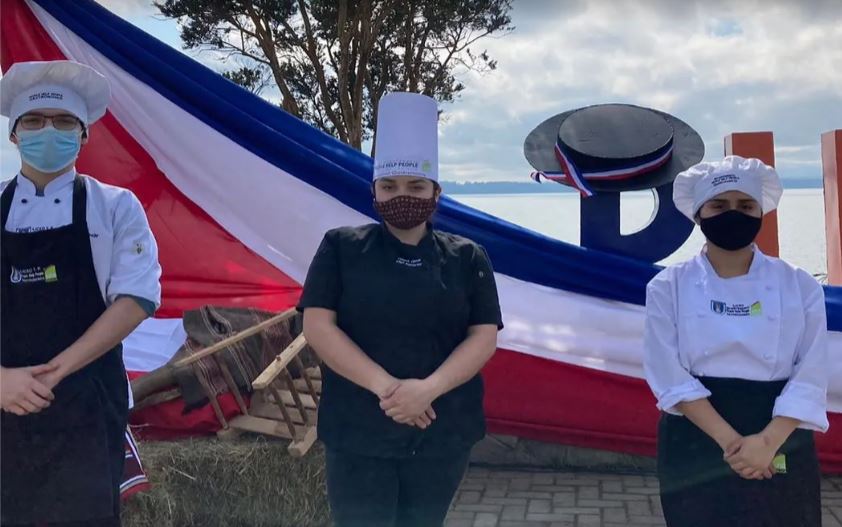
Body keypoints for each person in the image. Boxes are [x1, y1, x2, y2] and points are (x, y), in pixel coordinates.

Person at [297, 92, 503, 527]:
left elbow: (483, 335)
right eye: (389, 186)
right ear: (373, 190)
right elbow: (317, 325)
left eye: (415, 187)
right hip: (358, 428)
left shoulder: (468, 257)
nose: (401, 196)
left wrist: (427, 390)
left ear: (436, 193)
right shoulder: (341, 248)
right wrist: (389, 389)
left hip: (442, 429)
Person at [0, 60, 161, 526]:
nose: (48, 131)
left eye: (64, 122)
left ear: (84, 134)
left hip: (87, 402)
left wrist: (56, 372)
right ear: (14, 134)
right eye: (34, 121)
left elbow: (136, 298)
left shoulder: (114, 207)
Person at [643, 155, 829, 526]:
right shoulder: (668, 286)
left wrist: (766, 444)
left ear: (761, 211)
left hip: (778, 431)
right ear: (699, 213)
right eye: (719, 205)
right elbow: (668, 375)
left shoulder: (799, 285)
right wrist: (736, 446)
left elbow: (811, 372)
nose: (733, 214)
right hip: (697, 434)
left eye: (745, 205)